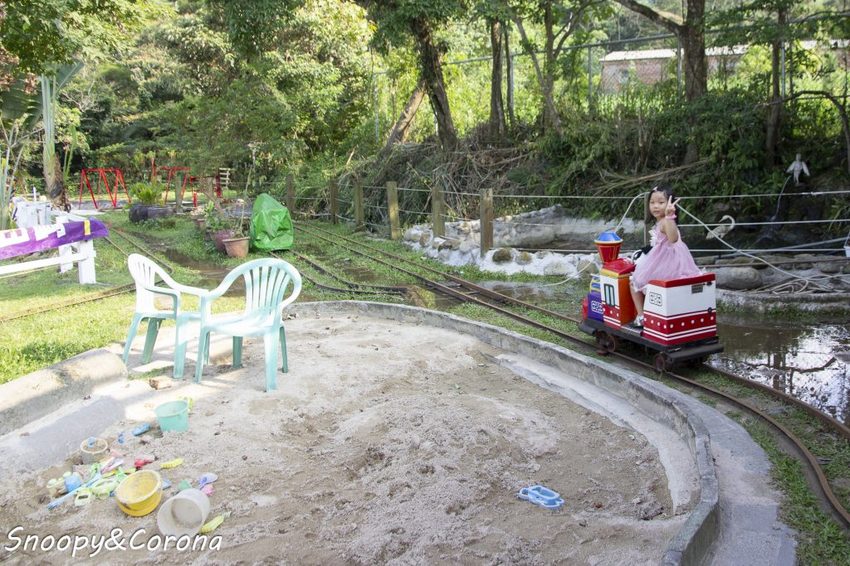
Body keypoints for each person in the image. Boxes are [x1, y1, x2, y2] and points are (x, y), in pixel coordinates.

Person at [628, 185, 702, 329]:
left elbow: (673, 238)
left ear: (670, 203)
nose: (655, 206)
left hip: (666, 262)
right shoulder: (663, 221)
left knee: (635, 282)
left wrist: (669, 216)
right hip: (674, 260)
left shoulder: (666, 221)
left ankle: (641, 316)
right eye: (652, 202)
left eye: (661, 202)